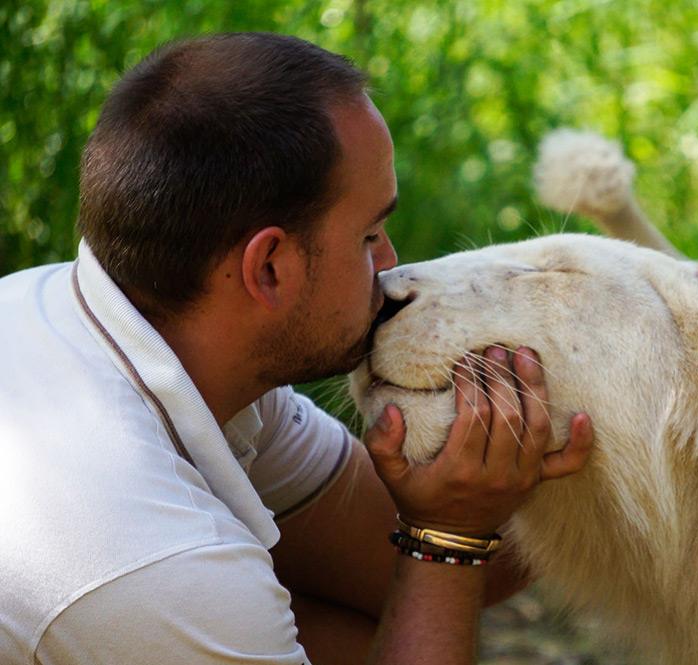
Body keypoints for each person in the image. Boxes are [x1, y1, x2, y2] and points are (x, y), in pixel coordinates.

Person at [0, 33, 595, 665]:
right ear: (270, 268)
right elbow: (445, 558)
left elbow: (422, 568)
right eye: (369, 235)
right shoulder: (153, 564)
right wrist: (447, 538)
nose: (392, 267)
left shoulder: (112, 336)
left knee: (347, 635)